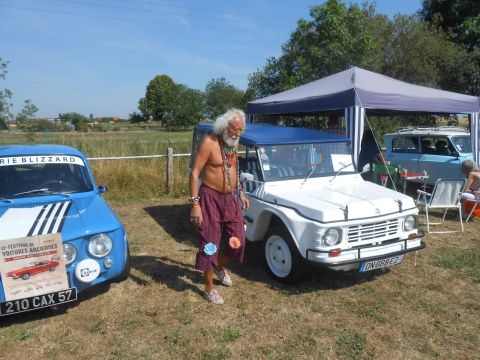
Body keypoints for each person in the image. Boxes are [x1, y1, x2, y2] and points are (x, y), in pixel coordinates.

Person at [189, 109, 249, 304]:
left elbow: (233, 168)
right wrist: (195, 204)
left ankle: (218, 266)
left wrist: (239, 191)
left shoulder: (233, 142)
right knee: (210, 243)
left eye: (240, 130)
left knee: (238, 240)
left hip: (230, 198)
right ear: (224, 127)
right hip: (209, 198)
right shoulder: (210, 142)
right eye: (234, 129)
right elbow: (194, 173)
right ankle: (209, 288)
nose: (237, 133)